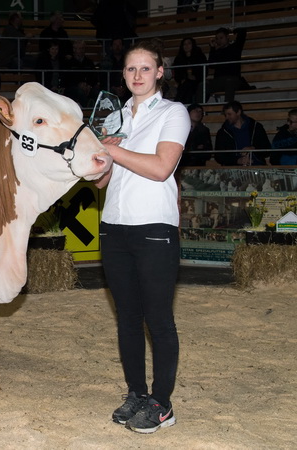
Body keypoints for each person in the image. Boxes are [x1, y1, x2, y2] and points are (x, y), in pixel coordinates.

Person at [94, 38, 190, 434]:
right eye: (131, 69)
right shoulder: (115, 119)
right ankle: (136, 394)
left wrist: (114, 151)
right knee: (128, 320)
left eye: (145, 68)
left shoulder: (173, 112)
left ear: (160, 72)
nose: (137, 75)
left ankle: (162, 404)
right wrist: (101, 151)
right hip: (114, 227)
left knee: (159, 320)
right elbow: (100, 182)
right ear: (123, 74)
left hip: (154, 227)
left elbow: (162, 168)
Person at [214, 100, 271, 166]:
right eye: (225, 114)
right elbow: (219, 157)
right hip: (233, 170)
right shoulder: (222, 132)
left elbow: (267, 149)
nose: (226, 117)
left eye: (229, 114)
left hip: (257, 166)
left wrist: (253, 149)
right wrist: (237, 161)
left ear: (238, 112)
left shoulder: (256, 127)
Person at [201, 27, 247, 103]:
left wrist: (233, 30)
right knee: (203, 85)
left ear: (227, 37)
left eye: (221, 38)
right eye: (217, 38)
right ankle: (200, 108)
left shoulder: (235, 48)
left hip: (233, 79)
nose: (219, 40)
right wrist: (212, 49)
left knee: (229, 82)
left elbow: (242, 33)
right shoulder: (217, 52)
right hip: (219, 81)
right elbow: (211, 65)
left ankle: (227, 106)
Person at [63, 40, 98, 107]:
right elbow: (66, 79)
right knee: (80, 92)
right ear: (74, 49)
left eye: (82, 48)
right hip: (72, 87)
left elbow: (94, 77)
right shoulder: (68, 63)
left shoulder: (89, 62)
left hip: (88, 86)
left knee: (96, 93)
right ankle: (86, 110)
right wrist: (78, 84)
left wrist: (88, 85)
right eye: (78, 48)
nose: (80, 51)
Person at [173, 37, 207, 104]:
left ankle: (179, 104)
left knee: (187, 86)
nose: (186, 46)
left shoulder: (200, 56)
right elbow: (177, 73)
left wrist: (195, 77)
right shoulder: (178, 58)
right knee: (186, 86)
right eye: (184, 44)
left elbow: (204, 71)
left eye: (189, 43)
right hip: (183, 83)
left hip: (197, 82)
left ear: (193, 45)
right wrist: (182, 79)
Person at [98, 37, 129, 103]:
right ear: (111, 47)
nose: (117, 47)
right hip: (110, 88)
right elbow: (103, 78)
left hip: (126, 87)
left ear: (123, 46)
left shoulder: (128, 60)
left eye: (119, 44)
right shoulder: (106, 61)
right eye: (115, 44)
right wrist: (114, 88)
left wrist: (125, 87)